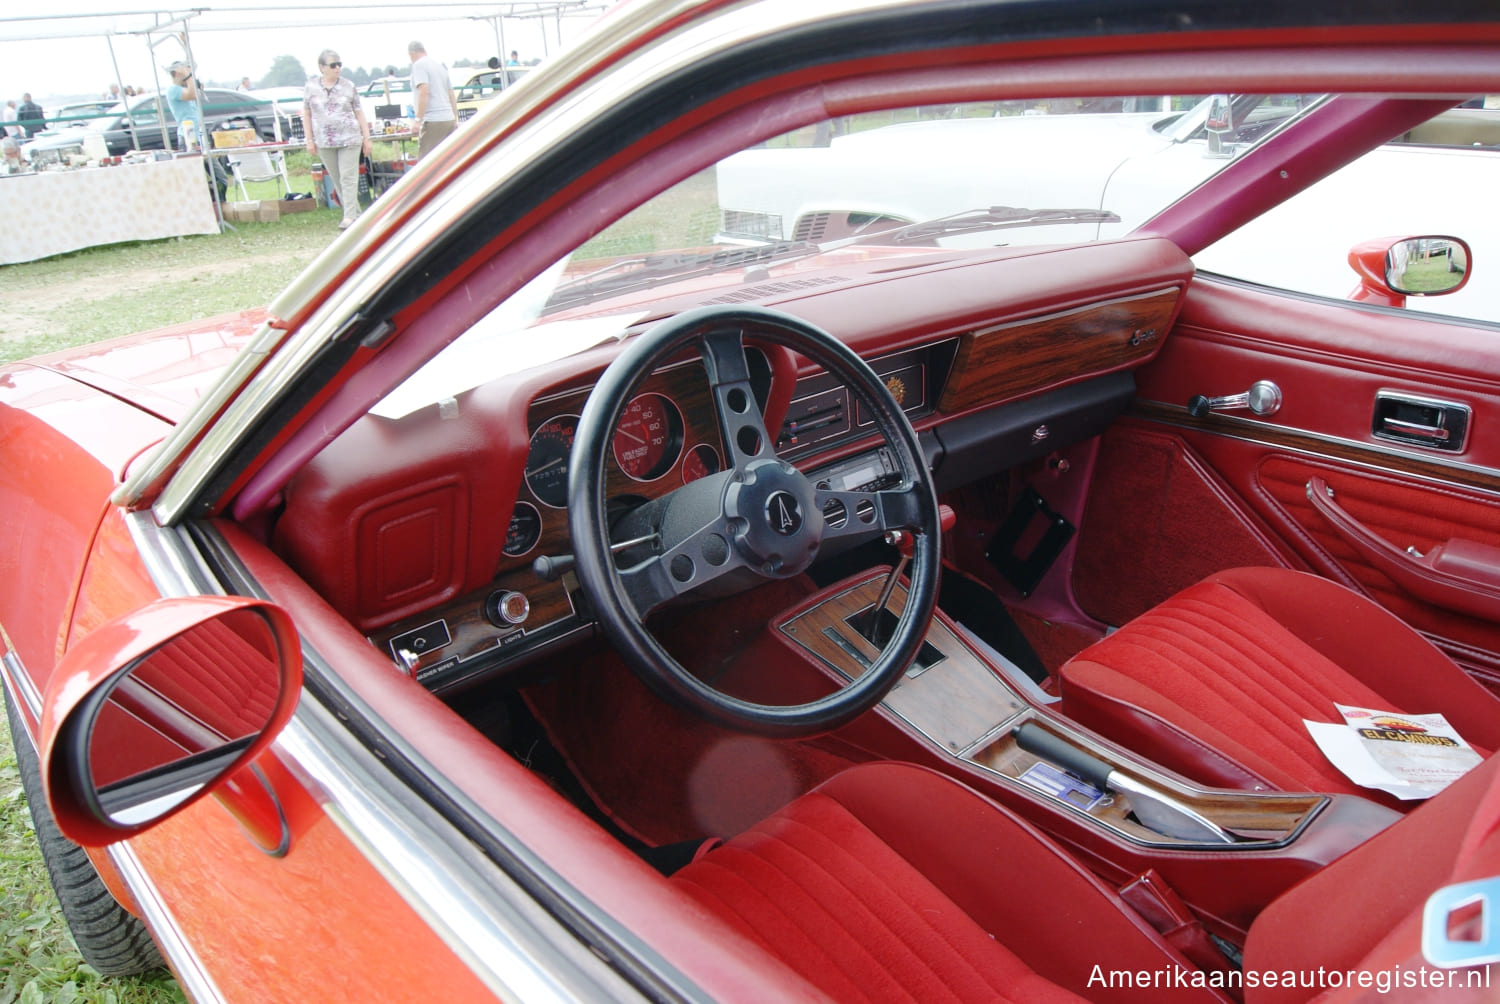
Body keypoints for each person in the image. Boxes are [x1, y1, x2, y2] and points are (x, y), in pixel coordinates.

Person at [301, 49, 372, 230]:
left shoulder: (349, 85)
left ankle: (349, 217)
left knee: (349, 177)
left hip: (349, 138)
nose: (337, 68)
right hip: (324, 140)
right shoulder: (310, 87)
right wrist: (309, 139)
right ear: (322, 67)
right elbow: (307, 114)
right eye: (333, 65)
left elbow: (359, 111)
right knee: (337, 178)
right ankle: (356, 214)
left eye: (339, 64)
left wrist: (367, 137)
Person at [407, 40, 456, 160]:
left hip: (433, 120)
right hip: (448, 118)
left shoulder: (418, 66)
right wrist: (455, 118)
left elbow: (424, 90)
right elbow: (451, 94)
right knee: (446, 160)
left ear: (411, 54)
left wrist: (418, 120)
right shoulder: (440, 67)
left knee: (426, 163)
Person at [165, 62, 202, 150]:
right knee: (195, 161)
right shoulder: (173, 89)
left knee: (212, 162)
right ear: (177, 72)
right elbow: (192, 95)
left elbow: (197, 94)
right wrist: (187, 76)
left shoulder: (183, 88)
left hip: (197, 133)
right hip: (188, 133)